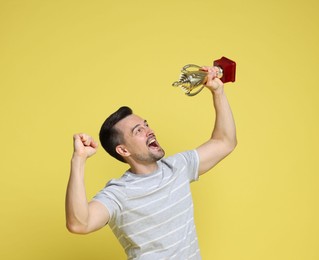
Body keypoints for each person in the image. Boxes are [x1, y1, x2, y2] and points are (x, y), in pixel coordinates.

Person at [65, 66, 237, 259]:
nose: (149, 130)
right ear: (123, 150)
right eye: (138, 131)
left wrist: (218, 92)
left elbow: (225, 142)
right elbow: (79, 223)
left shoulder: (178, 167)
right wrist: (78, 160)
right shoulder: (119, 193)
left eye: (146, 124)